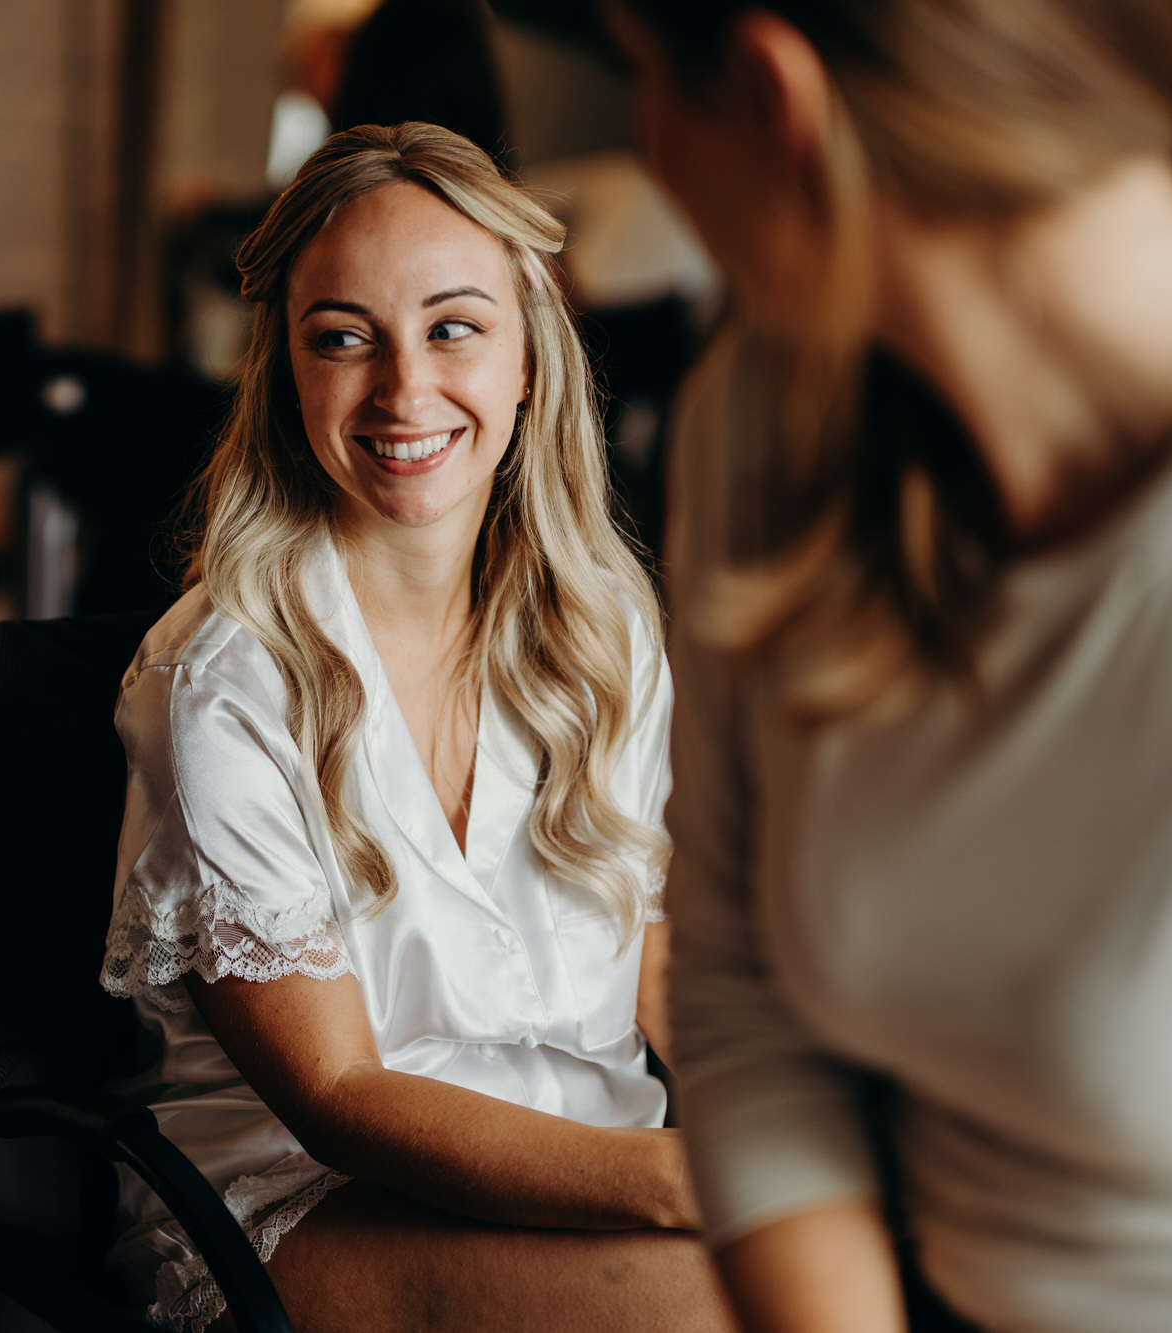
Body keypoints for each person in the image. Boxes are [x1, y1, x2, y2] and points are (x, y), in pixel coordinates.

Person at [604, 2, 1172, 1330]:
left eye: (643, 75)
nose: (647, 146)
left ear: (782, 102)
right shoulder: (764, 430)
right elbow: (741, 1005)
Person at [97, 123, 735, 1333]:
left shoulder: (600, 626)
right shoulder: (220, 681)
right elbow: (335, 1092)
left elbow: (649, 952)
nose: (402, 389)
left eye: (453, 327)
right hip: (302, 1206)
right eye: (343, 338)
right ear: (286, 372)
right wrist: (678, 1184)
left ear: (527, 359)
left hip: (589, 1174)